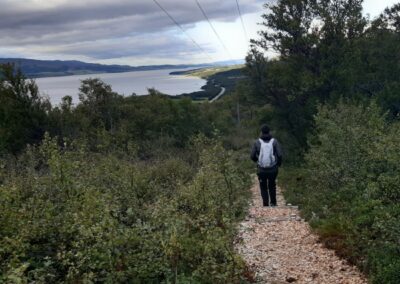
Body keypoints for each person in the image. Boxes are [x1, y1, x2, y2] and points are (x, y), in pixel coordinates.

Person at [250, 124, 282, 207]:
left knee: (263, 186)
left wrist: (257, 161)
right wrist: (278, 164)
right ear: (269, 131)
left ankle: (265, 203)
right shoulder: (274, 141)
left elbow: (252, 156)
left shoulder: (257, 142)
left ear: (261, 132)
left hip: (261, 169)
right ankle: (273, 203)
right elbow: (279, 155)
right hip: (273, 169)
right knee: (272, 185)